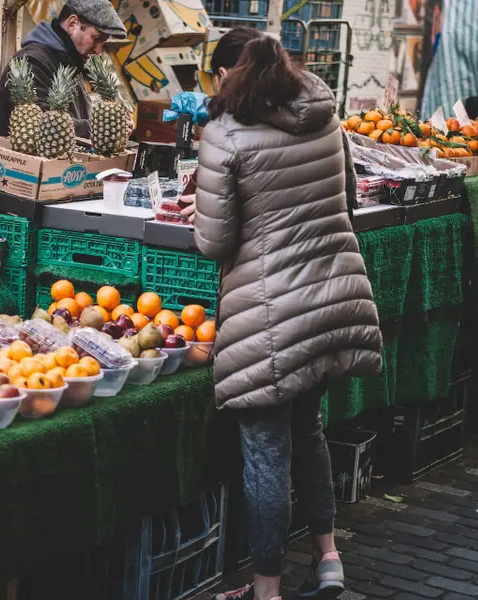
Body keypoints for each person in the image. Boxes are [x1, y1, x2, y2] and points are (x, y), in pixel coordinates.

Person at [182, 28, 384, 600]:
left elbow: (215, 241)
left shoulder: (223, 135)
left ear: (226, 76)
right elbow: (347, 197)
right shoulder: (324, 114)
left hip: (270, 315)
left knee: (265, 452)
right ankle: (328, 559)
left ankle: (266, 591)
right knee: (308, 431)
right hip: (330, 300)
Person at [0, 0, 126, 139]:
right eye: (96, 38)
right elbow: (41, 125)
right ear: (72, 24)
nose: (98, 51)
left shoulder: (71, 62)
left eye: (102, 44)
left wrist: (112, 123)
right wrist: (101, 128)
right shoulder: (32, 61)